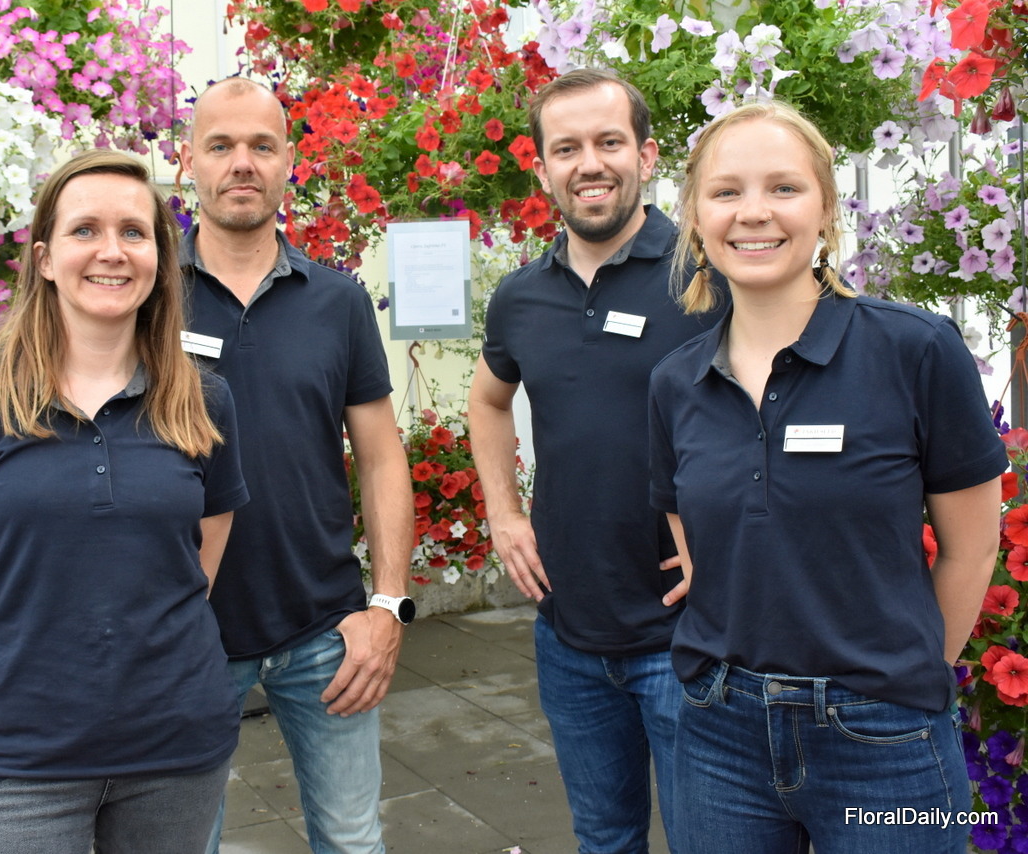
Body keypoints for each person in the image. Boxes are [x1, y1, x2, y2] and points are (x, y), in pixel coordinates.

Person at [648, 101, 1006, 853]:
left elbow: (973, 548)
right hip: (719, 734)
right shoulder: (676, 381)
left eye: (784, 187)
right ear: (696, 219)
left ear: (827, 209)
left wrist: (907, 684)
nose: (754, 212)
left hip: (885, 743)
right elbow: (685, 522)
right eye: (726, 191)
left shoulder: (916, 349)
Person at [0, 149, 249, 853]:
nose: (111, 251)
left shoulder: (203, 400)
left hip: (177, 750)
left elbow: (195, 572)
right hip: (17, 766)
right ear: (45, 259)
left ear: (159, 259)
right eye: (85, 230)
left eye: (134, 232)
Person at [468, 68, 722, 853]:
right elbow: (487, 402)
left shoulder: (706, 277)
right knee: (605, 840)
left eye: (609, 142)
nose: (590, 164)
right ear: (543, 167)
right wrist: (503, 512)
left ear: (646, 155)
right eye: (567, 148)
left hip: (690, 636)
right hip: (569, 634)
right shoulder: (520, 296)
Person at [178, 77, 414, 854]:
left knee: (352, 841)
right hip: (186, 632)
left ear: (288, 163)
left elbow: (381, 457)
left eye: (262, 146)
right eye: (220, 146)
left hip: (325, 632)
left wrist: (388, 606)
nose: (241, 163)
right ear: (187, 161)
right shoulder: (146, 297)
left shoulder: (337, 302)